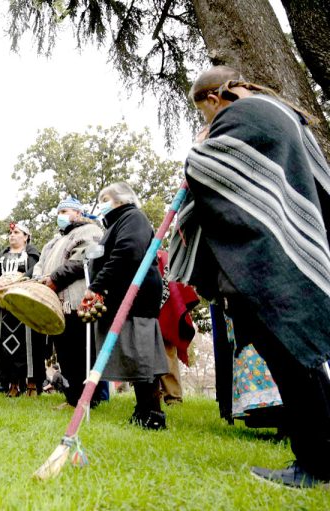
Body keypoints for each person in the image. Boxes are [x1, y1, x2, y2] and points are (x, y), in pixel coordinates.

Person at [168, 65, 330, 488]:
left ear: (212, 99)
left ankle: (314, 464)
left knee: (290, 362)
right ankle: (322, 456)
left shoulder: (240, 116)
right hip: (291, 254)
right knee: (303, 358)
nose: (205, 121)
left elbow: (207, 170)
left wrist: (198, 151)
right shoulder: (281, 111)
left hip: (266, 265)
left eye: (201, 111)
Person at [84, 182, 168, 429]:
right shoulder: (117, 223)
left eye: (106, 198)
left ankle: (153, 413)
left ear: (122, 200)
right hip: (122, 297)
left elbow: (128, 251)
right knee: (133, 355)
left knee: (141, 353)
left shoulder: (133, 217)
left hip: (136, 297)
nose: (102, 204)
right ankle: (143, 409)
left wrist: (97, 285)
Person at [35, 197, 106, 408]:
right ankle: (73, 398)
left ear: (78, 213)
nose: (61, 216)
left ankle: (88, 399)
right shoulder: (54, 241)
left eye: (66, 211)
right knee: (64, 353)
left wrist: (55, 278)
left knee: (82, 352)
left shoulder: (89, 231)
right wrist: (40, 278)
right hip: (57, 304)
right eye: (59, 211)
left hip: (78, 301)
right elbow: (40, 264)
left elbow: (84, 259)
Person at [0, 223, 43, 397]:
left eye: (17, 232)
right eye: (11, 232)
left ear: (26, 236)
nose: (12, 235)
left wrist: (19, 280)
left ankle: (31, 384)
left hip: (26, 306)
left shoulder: (32, 255)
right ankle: (13, 385)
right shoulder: (2, 255)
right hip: (5, 309)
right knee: (7, 346)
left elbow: (36, 271)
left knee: (30, 345)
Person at [156, 249, 199, 405]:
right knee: (145, 356)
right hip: (144, 312)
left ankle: (173, 397)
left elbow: (175, 284)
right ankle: (154, 395)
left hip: (165, 314)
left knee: (167, 354)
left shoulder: (162, 256)